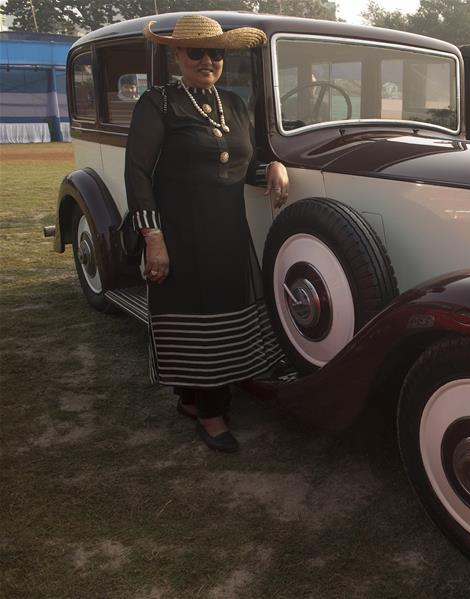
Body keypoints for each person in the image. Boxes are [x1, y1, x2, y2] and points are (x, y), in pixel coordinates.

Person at [125, 14, 289, 453]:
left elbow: (239, 166)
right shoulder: (158, 103)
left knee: (222, 314)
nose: (207, 60)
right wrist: (153, 238)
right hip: (179, 232)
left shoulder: (234, 103)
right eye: (196, 52)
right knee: (193, 314)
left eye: (215, 53)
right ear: (176, 55)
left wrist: (271, 166)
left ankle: (194, 401)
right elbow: (138, 174)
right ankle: (212, 414)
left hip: (227, 233)